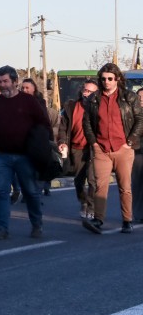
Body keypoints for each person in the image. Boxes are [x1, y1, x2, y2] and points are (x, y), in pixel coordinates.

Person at [0, 65, 50, 240]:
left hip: (25, 156)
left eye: (5, 81)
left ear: (15, 82)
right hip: (1, 155)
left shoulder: (28, 101)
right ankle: (2, 228)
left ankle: (37, 224)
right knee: (2, 192)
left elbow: (44, 124)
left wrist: (41, 147)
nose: (2, 85)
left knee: (30, 192)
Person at [82, 63, 143, 234]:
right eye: (103, 79)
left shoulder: (129, 97)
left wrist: (129, 142)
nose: (106, 82)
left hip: (123, 148)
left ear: (117, 79)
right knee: (100, 186)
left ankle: (127, 220)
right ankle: (98, 219)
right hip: (102, 148)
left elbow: (139, 119)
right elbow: (86, 122)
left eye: (110, 78)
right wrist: (94, 143)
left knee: (125, 186)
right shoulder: (94, 99)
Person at [58, 80, 98, 219]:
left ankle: (92, 207)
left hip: (94, 148)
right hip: (76, 148)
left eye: (91, 92)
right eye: (85, 90)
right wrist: (62, 142)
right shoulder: (71, 106)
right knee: (78, 180)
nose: (86, 93)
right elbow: (63, 127)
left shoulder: (99, 107)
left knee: (93, 180)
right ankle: (84, 202)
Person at [21, 78, 61, 196]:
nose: (24, 90)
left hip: (39, 140)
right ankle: (28, 192)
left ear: (34, 89)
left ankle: (39, 190)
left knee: (41, 165)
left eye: (27, 88)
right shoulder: (18, 101)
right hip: (24, 141)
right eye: (23, 88)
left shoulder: (40, 102)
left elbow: (45, 122)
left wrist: (49, 139)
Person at [132, 88, 143, 222]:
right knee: (138, 184)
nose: (141, 99)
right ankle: (139, 214)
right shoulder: (131, 113)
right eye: (139, 96)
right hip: (138, 152)